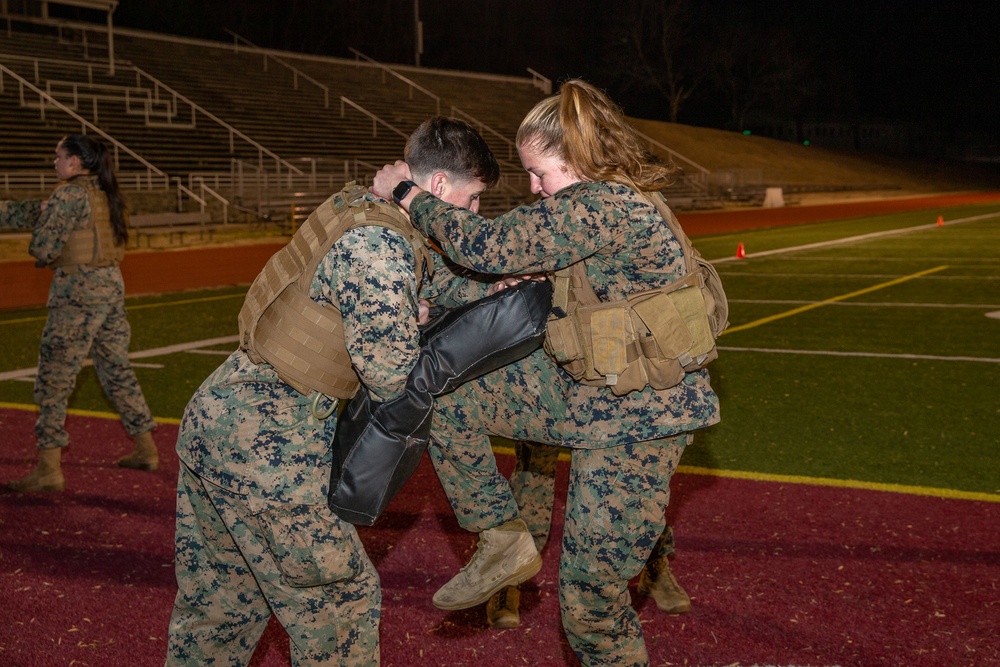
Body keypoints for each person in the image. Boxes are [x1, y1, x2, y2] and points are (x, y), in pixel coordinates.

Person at [373, 79, 720, 666]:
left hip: (639, 423)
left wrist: (406, 192)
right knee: (450, 395)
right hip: (592, 392)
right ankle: (502, 541)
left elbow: (484, 245)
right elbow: (515, 275)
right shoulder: (593, 203)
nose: (533, 189)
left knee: (590, 607)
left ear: (579, 161)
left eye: (541, 173)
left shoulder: (603, 205)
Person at [165, 116, 500, 667]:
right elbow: (391, 375)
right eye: (473, 199)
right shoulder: (379, 246)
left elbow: (426, 278)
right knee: (338, 610)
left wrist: (485, 287)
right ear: (438, 187)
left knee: (220, 611)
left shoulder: (360, 206)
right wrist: (413, 325)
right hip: (271, 441)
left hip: (220, 419)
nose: (474, 213)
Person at [1, 134, 158, 493]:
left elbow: (42, 246)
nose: (53, 163)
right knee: (117, 369)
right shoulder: (106, 193)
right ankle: (146, 448)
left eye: (57, 156)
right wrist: (42, 211)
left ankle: (48, 469)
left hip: (76, 295)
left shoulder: (68, 194)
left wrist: (45, 224)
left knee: (54, 380)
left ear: (74, 162)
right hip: (111, 289)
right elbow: (33, 213)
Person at [485, 441, 691, 629]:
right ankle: (508, 577)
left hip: (608, 403)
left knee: (633, 469)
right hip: (547, 402)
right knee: (532, 471)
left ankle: (654, 562)